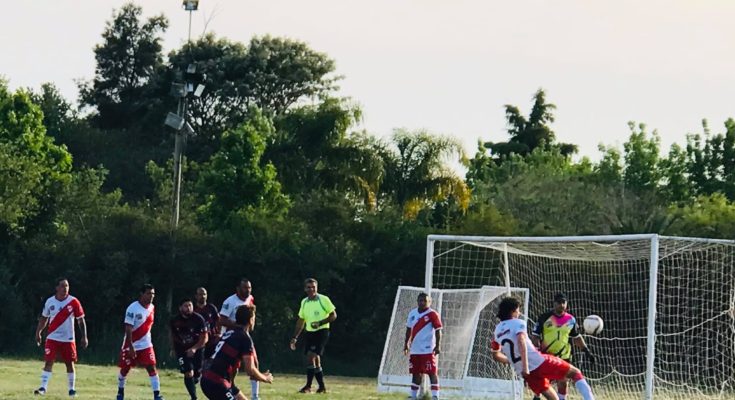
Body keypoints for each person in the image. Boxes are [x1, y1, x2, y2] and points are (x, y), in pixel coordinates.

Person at [491, 297, 595, 400]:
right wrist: (525, 366)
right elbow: (521, 340)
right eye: (518, 310)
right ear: (512, 311)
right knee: (575, 373)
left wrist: (514, 361)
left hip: (526, 373)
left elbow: (496, 354)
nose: (519, 313)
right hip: (538, 361)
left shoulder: (497, 331)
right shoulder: (518, 323)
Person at [201, 304, 273, 400]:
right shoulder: (244, 338)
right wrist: (265, 378)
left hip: (211, 379)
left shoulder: (230, 332)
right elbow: (250, 370)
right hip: (217, 382)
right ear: (251, 320)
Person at [531, 293, 595, 400]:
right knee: (543, 382)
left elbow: (576, 337)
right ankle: (536, 397)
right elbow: (535, 336)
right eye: (559, 302)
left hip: (564, 356)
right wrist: (537, 351)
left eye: (563, 302)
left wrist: (586, 351)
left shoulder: (571, 319)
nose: (561, 305)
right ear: (554, 303)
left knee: (563, 381)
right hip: (547, 355)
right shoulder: (544, 317)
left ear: (566, 304)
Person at [34, 277, 88, 397]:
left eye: (67, 286)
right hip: (52, 338)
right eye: (63, 286)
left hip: (68, 339)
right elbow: (44, 318)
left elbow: (80, 320)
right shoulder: (50, 301)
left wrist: (84, 336)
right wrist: (38, 332)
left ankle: (72, 390)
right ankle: (43, 388)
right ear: (57, 288)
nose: (65, 288)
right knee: (49, 362)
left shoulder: (73, 302)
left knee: (69, 363)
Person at [117, 284, 164, 400]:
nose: (151, 296)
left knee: (151, 367)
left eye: (153, 294)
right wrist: (131, 346)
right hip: (131, 344)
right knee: (125, 369)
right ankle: (120, 392)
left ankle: (157, 394)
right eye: (148, 293)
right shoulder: (132, 308)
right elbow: (128, 328)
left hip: (146, 344)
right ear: (141, 294)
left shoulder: (152, 307)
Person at [289, 278, 337, 394]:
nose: (311, 290)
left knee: (311, 356)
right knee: (315, 359)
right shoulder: (304, 302)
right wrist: (295, 337)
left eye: (313, 287)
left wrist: (320, 323)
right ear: (305, 289)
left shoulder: (323, 299)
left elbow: (333, 315)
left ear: (317, 288)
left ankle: (308, 386)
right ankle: (322, 387)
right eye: (309, 287)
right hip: (310, 333)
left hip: (322, 331)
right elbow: (301, 320)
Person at [217, 278, 260, 399]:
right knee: (232, 367)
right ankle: (229, 386)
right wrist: (238, 325)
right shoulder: (230, 301)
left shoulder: (250, 298)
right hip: (231, 337)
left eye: (249, 288)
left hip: (244, 336)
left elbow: (252, 312)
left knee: (254, 363)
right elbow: (222, 320)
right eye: (245, 288)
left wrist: (250, 324)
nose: (248, 290)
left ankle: (255, 395)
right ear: (238, 289)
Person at [403, 293, 442, 400]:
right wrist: (406, 344)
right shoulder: (412, 313)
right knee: (416, 374)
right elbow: (408, 330)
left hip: (427, 350)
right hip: (415, 350)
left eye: (425, 301)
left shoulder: (433, 314)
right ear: (417, 301)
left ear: (429, 302)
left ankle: (435, 397)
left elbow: (438, 331)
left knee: (432, 373)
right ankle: (413, 396)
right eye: (420, 300)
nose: (422, 303)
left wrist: (438, 345)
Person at [170, 298, 209, 400]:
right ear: (180, 308)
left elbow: (205, 338)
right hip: (182, 350)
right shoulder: (174, 321)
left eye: (190, 305)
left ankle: (195, 380)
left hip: (198, 348)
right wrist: (173, 349)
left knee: (196, 375)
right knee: (188, 373)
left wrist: (194, 349)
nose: (188, 308)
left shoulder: (199, 319)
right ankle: (194, 397)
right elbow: (173, 336)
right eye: (186, 306)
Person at [194, 287, 220, 362]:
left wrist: (219, 333)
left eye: (204, 294)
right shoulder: (193, 309)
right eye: (200, 294)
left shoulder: (211, 308)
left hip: (212, 341)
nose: (203, 296)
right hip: (198, 341)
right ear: (196, 296)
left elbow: (219, 321)